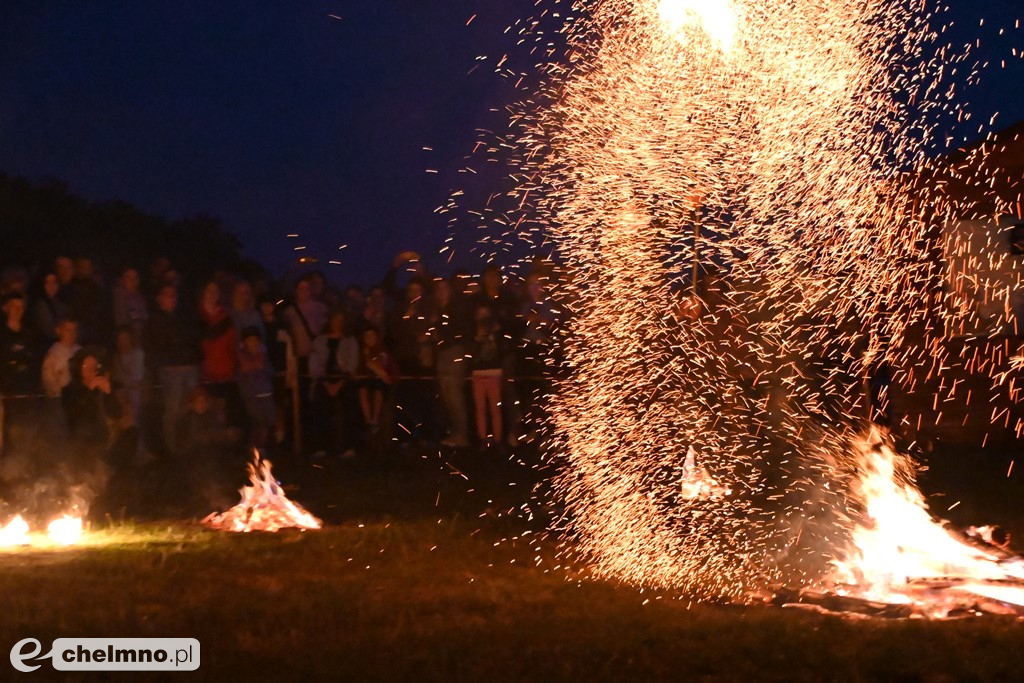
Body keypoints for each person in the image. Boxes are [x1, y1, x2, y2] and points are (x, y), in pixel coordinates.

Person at [144, 285, 201, 455]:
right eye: (166, 294)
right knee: (173, 408)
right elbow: (156, 346)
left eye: (173, 295)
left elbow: (191, 341)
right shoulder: (154, 320)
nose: (171, 298)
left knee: (191, 405)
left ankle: (190, 443)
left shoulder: (182, 318)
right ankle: (172, 447)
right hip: (170, 370)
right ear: (158, 298)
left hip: (188, 367)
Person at [309, 310, 359, 457]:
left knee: (349, 406)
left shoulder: (350, 341)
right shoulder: (319, 341)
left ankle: (348, 446)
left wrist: (340, 382)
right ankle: (321, 446)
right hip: (323, 379)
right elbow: (314, 364)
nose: (338, 323)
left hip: (344, 379)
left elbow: (352, 364)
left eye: (341, 320)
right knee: (320, 406)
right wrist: (326, 383)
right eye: (335, 319)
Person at [431, 277, 472, 448]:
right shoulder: (438, 309)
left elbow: (456, 331)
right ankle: (455, 433)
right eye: (438, 288)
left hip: (454, 352)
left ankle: (463, 436)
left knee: (454, 395)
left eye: (444, 288)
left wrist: (437, 324)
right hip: (442, 354)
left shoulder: (455, 308)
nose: (441, 291)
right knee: (447, 396)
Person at [198, 281, 242, 428]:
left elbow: (232, 342)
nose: (212, 294)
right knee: (204, 411)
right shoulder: (197, 315)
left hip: (224, 369)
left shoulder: (225, 316)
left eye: (215, 290)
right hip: (204, 371)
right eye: (209, 290)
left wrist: (234, 364)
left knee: (221, 412)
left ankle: (220, 444)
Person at [468, 305, 507, 449]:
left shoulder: (497, 333)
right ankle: (482, 439)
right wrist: (477, 338)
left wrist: (495, 335)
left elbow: (502, 350)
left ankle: (497, 439)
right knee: (480, 409)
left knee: (495, 409)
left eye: (485, 314)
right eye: (480, 314)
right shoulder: (473, 332)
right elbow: (471, 354)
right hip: (478, 374)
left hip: (494, 373)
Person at [237, 327, 276, 450]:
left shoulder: (264, 353)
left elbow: (269, 370)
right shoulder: (241, 355)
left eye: (255, 340)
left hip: (265, 392)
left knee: (267, 422)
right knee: (257, 423)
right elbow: (244, 370)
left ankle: (262, 449)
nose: (253, 343)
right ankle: (255, 450)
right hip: (251, 394)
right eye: (250, 340)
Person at [356, 328, 398, 435]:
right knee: (362, 391)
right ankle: (368, 420)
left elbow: (389, 372)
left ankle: (374, 421)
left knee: (378, 392)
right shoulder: (360, 353)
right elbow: (357, 371)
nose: (369, 339)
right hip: (365, 382)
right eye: (367, 336)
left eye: (372, 336)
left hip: (380, 383)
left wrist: (375, 366)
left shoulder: (383, 352)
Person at [41, 319, 81, 398]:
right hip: (61, 399)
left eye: (74, 330)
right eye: (68, 330)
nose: (71, 333)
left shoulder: (81, 351)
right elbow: (49, 384)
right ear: (59, 330)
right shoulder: (52, 354)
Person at [30, 271, 68, 347]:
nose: (52, 286)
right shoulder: (39, 305)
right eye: (47, 282)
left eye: (55, 282)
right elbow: (51, 330)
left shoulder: (58, 303)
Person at [112, 267, 148, 341]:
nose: (132, 280)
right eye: (128, 277)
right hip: (128, 340)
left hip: (141, 338)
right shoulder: (120, 294)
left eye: (135, 277)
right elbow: (121, 320)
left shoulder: (140, 297)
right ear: (122, 279)